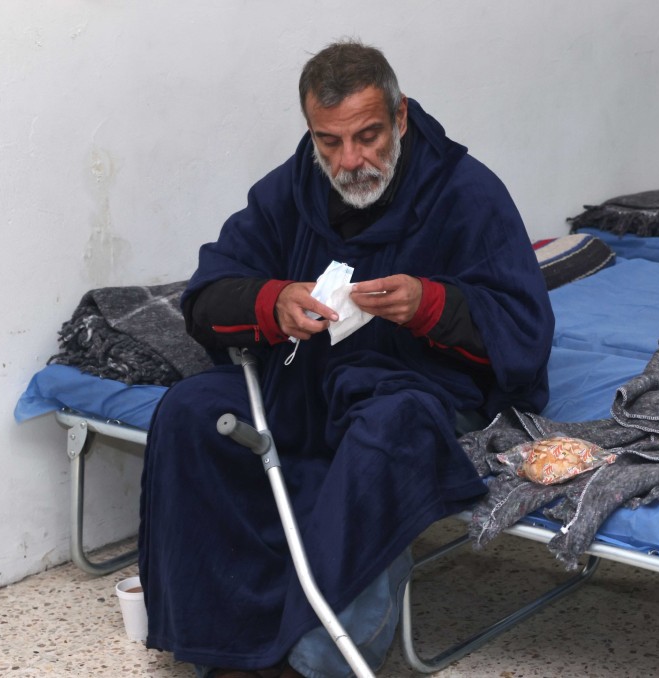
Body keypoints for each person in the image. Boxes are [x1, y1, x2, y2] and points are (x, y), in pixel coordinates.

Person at [138, 39, 554, 678]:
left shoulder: (466, 193)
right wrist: (274, 301)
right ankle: (222, 644)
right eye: (329, 142)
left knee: (388, 433)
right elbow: (208, 296)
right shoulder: (292, 189)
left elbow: (525, 332)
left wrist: (430, 304)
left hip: (419, 389)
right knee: (190, 410)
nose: (351, 160)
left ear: (401, 117)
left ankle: (319, 660)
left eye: (368, 136)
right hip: (304, 377)